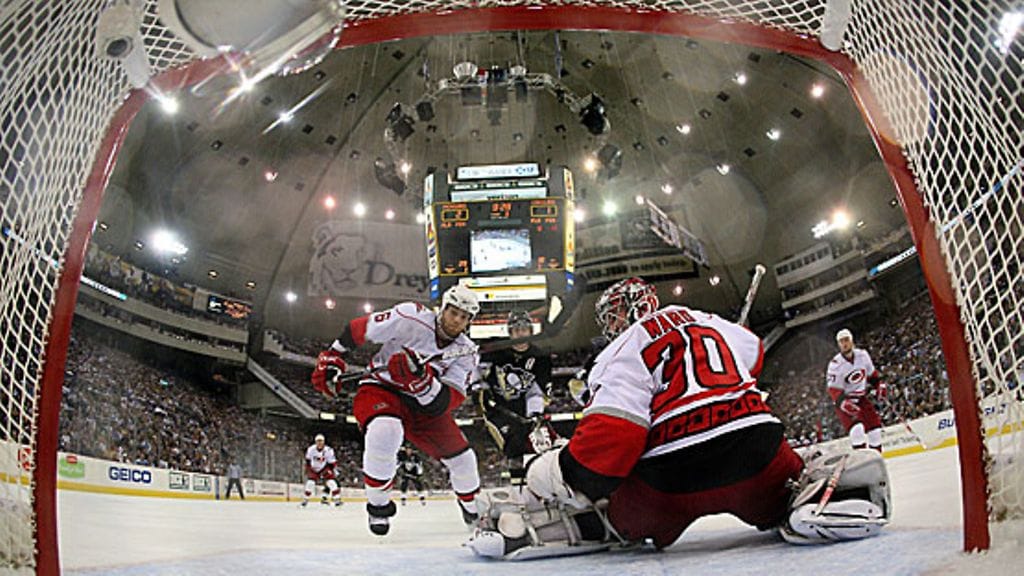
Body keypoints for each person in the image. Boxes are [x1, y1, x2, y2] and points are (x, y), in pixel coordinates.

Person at [468, 277, 890, 559]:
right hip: (758, 456)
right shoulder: (711, 321)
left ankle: (550, 530)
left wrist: (556, 472)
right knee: (786, 483)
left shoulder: (621, 348)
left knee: (616, 514)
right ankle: (825, 495)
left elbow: (614, 439)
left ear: (634, 308)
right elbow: (754, 355)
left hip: (670, 482)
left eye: (615, 313)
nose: (612, 323)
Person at [310, 285, 482, 536]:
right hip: (382, 389)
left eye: (464, 316)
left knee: (464, 460)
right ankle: (378, 507)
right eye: (453, 312)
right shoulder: (410, 315)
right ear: (443, 308)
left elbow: (447, 401)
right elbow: (361, 328)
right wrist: (334, 355)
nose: (457, 320)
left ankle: (472, 509)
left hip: (425, 406)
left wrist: (421, 382)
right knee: (385, 430)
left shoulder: (467, 352)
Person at [474, 310, 554, 481]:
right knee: (514, 444)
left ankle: (541, 484)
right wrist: (479, 387)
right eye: (516, 330)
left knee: (541, 446)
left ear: (530, 332)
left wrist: (535, 415)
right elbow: (476, 376)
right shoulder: (495, 350)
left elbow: (536, 391)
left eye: (524, 329)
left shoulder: (541, 357)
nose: (520, 333)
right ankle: (520, 488)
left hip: (522, 409)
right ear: (509, 333)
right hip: (495, 407)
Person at [827, 328, 887, 452]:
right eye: (841, 341)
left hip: (861, 399)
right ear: (838, 344)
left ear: (852, 340)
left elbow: (873, 376)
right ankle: (861, 463)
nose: (844, 344)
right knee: (857, 430)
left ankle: (876, 460)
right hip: (845, 402)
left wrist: (879, 385)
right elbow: (833, 390)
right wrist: (844, 403)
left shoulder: (863, 355)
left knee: (875, 430)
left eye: (846, 340)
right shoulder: (835, 365)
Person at [302, 434, 342, 507]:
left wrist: (332, 471)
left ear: (324, 442)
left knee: (332, 483)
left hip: (323, 468)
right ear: (315, 442)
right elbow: (308, 460)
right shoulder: (311, 449)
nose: (319, 443)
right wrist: (308, 469)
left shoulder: (328, 450)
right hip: (313, 468)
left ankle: (337, 500)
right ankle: (305, 500)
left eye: (321, 441)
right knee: (310, 483)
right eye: (318, 441)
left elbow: (332, 463)